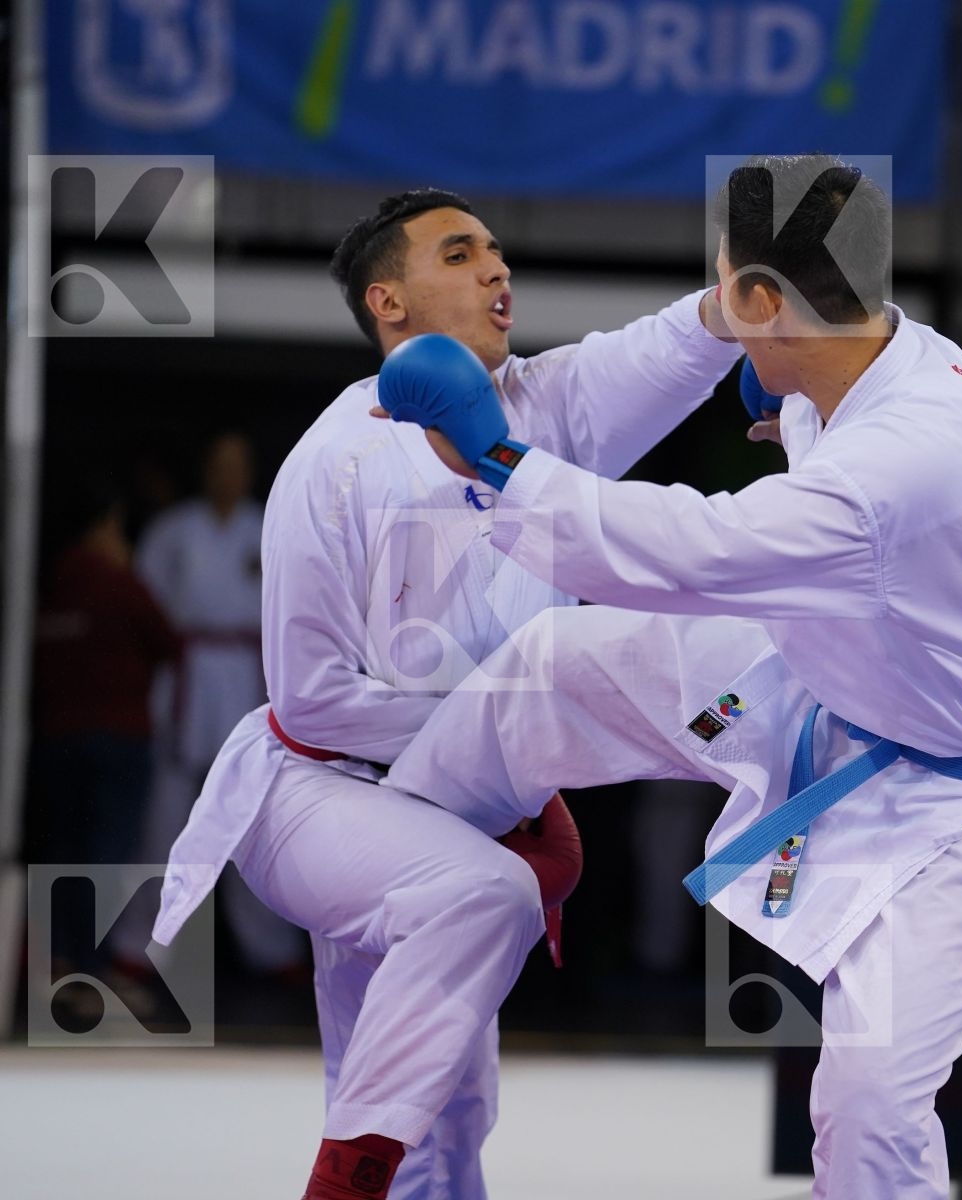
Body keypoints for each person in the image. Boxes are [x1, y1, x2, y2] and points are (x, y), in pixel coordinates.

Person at [377, 155, 962, 1200]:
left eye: (731, 289)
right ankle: (405, 882)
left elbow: (692, 552)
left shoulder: (888, 462)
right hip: (830, 668)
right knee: (550, 666)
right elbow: (766, 352)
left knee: (870, 1105)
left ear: (767, 299)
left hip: (956, 805)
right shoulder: (874, 357)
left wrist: (498, 460)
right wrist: (777, 382)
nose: (717, 304)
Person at [151, 187, 743, 1200]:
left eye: (498, 252)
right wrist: (507, 735)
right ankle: (342, 1179)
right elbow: (315, 698)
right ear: (389, 302)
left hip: (460, 803)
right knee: (481, 897)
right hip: (323, 796)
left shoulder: (545, 410)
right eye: (461, 255)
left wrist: (745, 295)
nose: (496, 271)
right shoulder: (331, 463)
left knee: (451, 1113)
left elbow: (658, 349)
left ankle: (386, 1166)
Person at [135, 432, 305, 977]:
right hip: (184, 676)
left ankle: (270, 949)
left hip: (247, 675)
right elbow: (143, 605)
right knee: (164, 820)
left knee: (250, 818)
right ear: (204, 469)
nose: (226, 475)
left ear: (250, 472)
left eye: (236, 465)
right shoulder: (172, 532)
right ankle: (138, 947)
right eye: (218, 464)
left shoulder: (270, 524)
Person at [32, 486, 181, 1010]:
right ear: (103, 528)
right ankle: (90, 976)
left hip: (55, 736)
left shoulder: (45, 581)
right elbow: (168, 639)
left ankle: (58, 963)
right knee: (106, 855)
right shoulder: (117, 582)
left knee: (62, 848)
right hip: (116, 737)